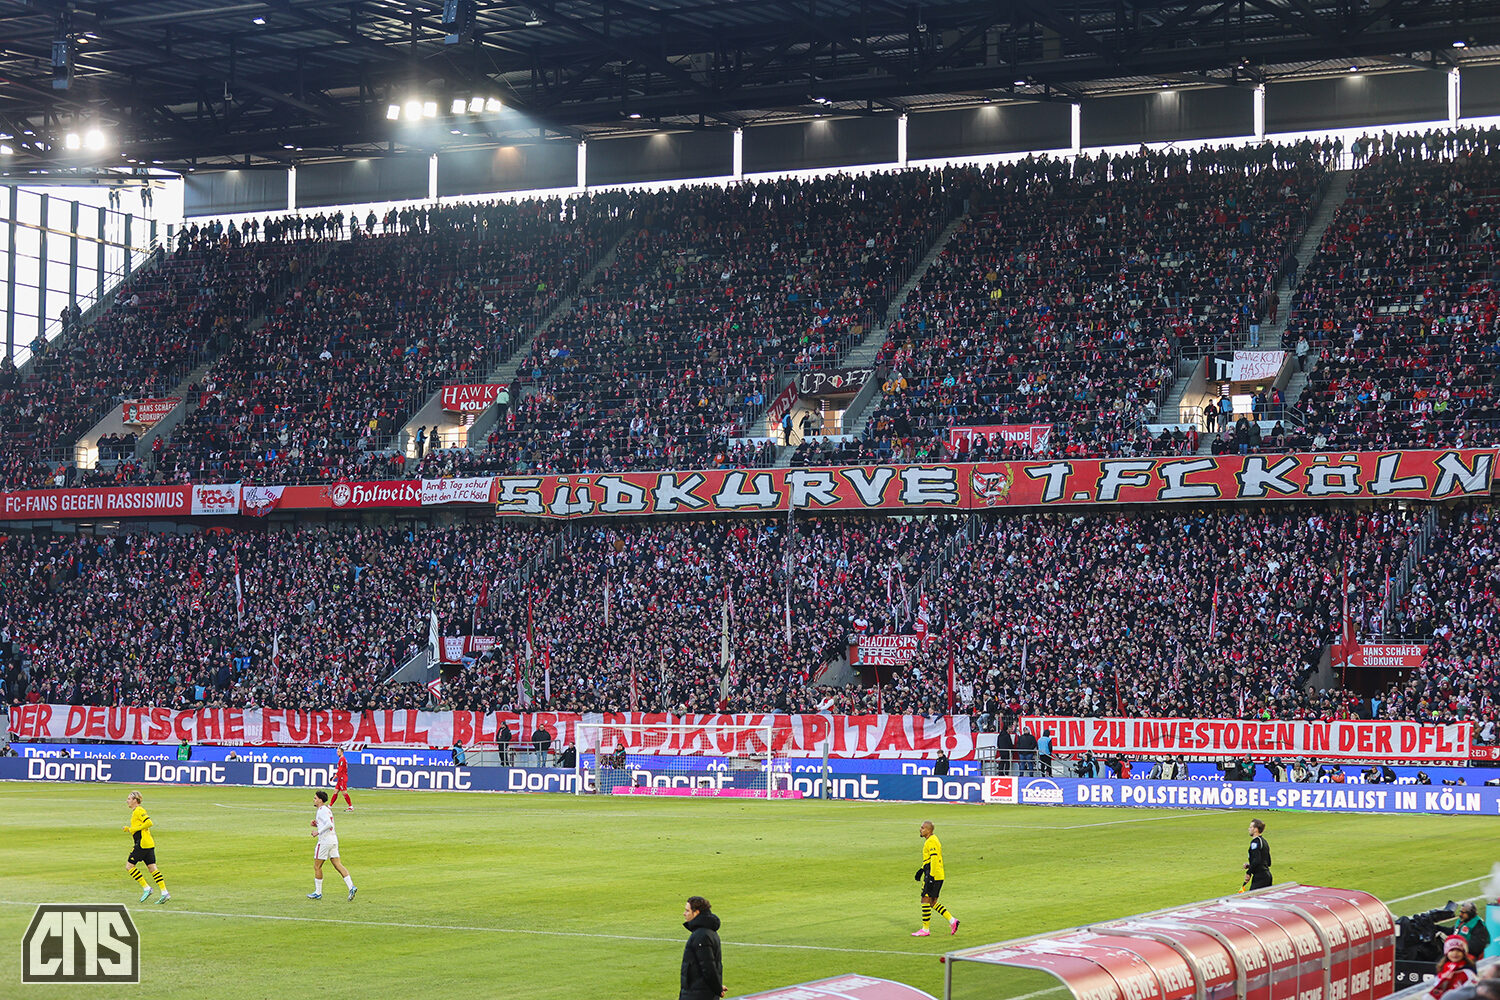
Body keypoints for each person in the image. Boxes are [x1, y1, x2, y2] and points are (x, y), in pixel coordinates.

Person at [122, 791, 170, 904]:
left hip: (142, 844)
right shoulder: (136, 811)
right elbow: (139, 827)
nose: (127, 801)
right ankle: (164, 893)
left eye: (129, 798)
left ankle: (146, 888)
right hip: (149, 843)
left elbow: (149, 823)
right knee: (152, 868)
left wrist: (133, 829)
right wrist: (129, 829)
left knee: (129, 866)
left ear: (135, 800)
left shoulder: (139, 810)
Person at [308, 790, 356, 901]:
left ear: (320, 800)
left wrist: (317, 832)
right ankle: (351, 886)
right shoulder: (326, 810)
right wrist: (317, 824)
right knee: (338, 864)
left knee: (317, 866)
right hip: (333, 839)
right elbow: (328, 823)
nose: (314, 800)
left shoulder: (321, 810)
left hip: (324, 841)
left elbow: (329, 824)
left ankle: (318, 892)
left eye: (315, 798)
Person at [912, 820, 958, 937]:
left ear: (929, 830)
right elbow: (929, 860)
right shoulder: (932, 840)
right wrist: (921, 870)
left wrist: (930, 877)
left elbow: (934, 859)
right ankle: (952, 921)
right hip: (938, 874)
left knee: (925, 900)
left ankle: (925, 929)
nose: (920, 830)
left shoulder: (931, 841)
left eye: (922, 828)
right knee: (932, 902)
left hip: (933, 875)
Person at [679, 895, 724, 1000]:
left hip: (697, 995)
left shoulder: (701, 935)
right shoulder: (708, 932)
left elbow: (708, 967)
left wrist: (718, 989)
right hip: (700, 992)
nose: (684, 914)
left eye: (687, 911)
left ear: (696, 912)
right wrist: (718, 987)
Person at [1424, 935, 1479, 1000]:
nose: (1455, 953)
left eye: (1458, 951)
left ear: (1464, 953)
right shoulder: (1443, 968)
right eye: (1452, 950)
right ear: (1446, 952)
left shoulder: (1469, 970)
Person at [1243, 818, 1272, 890]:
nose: (1248, 829)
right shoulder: (1264, 841)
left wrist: (1248, 873)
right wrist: (1250, 865)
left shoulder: (1255, 842)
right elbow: (1268, 862)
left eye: (1250, 827)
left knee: (1252, 899)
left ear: (1256, 829)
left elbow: (1257, 860)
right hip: (1267, 876)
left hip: (1260, 877)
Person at [333, 746, 353, 811]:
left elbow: (340, 769)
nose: (337, 753)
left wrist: (335, 776)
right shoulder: (341, 759)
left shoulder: (342, 759)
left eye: (338, 752)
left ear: (341, 752)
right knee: (335, 791)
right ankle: (329, 806)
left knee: (344, 792)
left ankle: (351, 806)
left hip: (342, 778)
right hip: (340, 778)